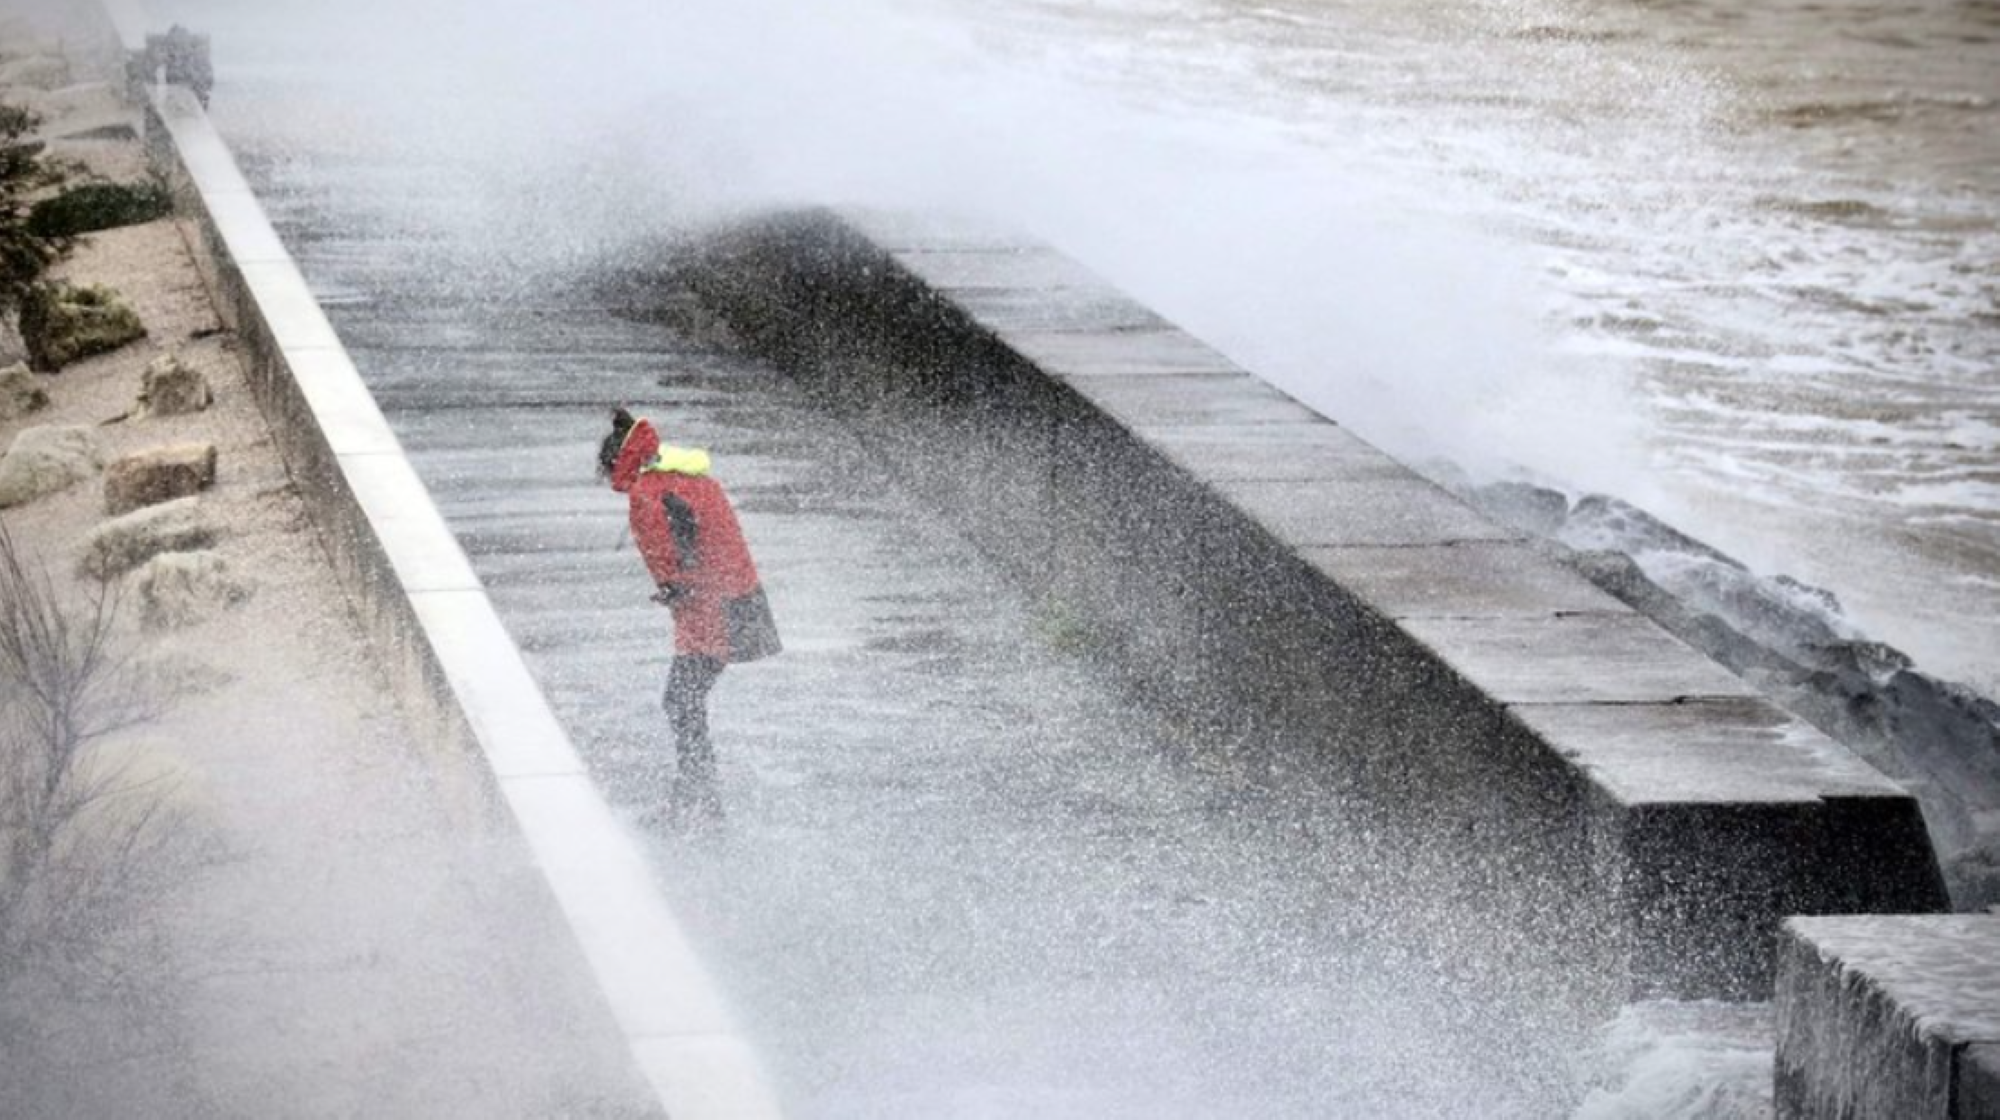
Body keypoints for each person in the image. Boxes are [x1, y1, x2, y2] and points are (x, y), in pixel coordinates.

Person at [598, 407, 779, 822]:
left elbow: (679, 552)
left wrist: (676, 589)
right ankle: (697, 798)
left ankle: (701, 803)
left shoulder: (649, 492)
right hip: (739, 597)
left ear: (615, 462)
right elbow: (703, 539)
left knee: (681, 702)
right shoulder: (692, 478)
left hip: (711, 608)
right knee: (686, 701)